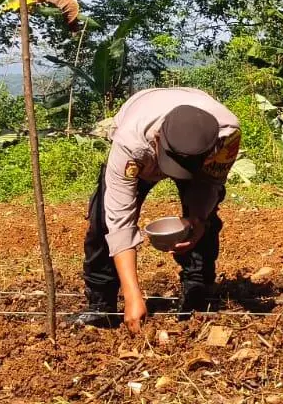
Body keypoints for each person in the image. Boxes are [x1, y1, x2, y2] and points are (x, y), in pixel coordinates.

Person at [72, 87, 241, 333]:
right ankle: (102, 303)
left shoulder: (227, 135)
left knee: (206, 221)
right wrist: (132, 295)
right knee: (102, 221)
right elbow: (119, 221)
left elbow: (211, 184)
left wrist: (198, 218)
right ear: (158, 138)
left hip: (200, 162)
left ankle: (197, 292)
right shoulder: (131, 142)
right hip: (142, 151)